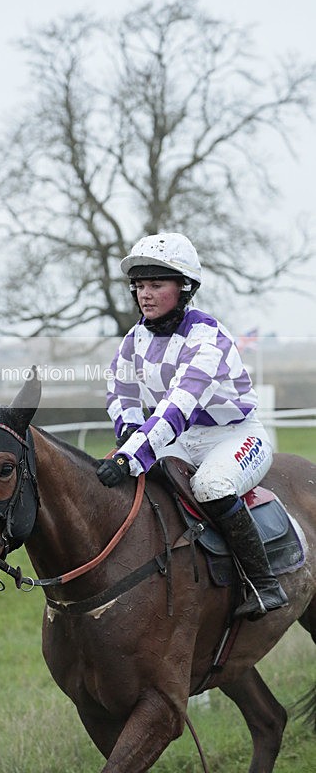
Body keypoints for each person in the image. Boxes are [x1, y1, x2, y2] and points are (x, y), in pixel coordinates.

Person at [96, 232, 288, 621]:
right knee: (141, 484)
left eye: (156, 285)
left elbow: (177, 406)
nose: (145, 294)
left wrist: (130, 457)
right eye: (139, 286)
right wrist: (129, 433)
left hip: (236, 436)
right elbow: (120, 390)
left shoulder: (207, 336)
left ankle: (264, 584)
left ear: (184, 288)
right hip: (183, 440)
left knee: (210, 486)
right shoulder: (134, 339)